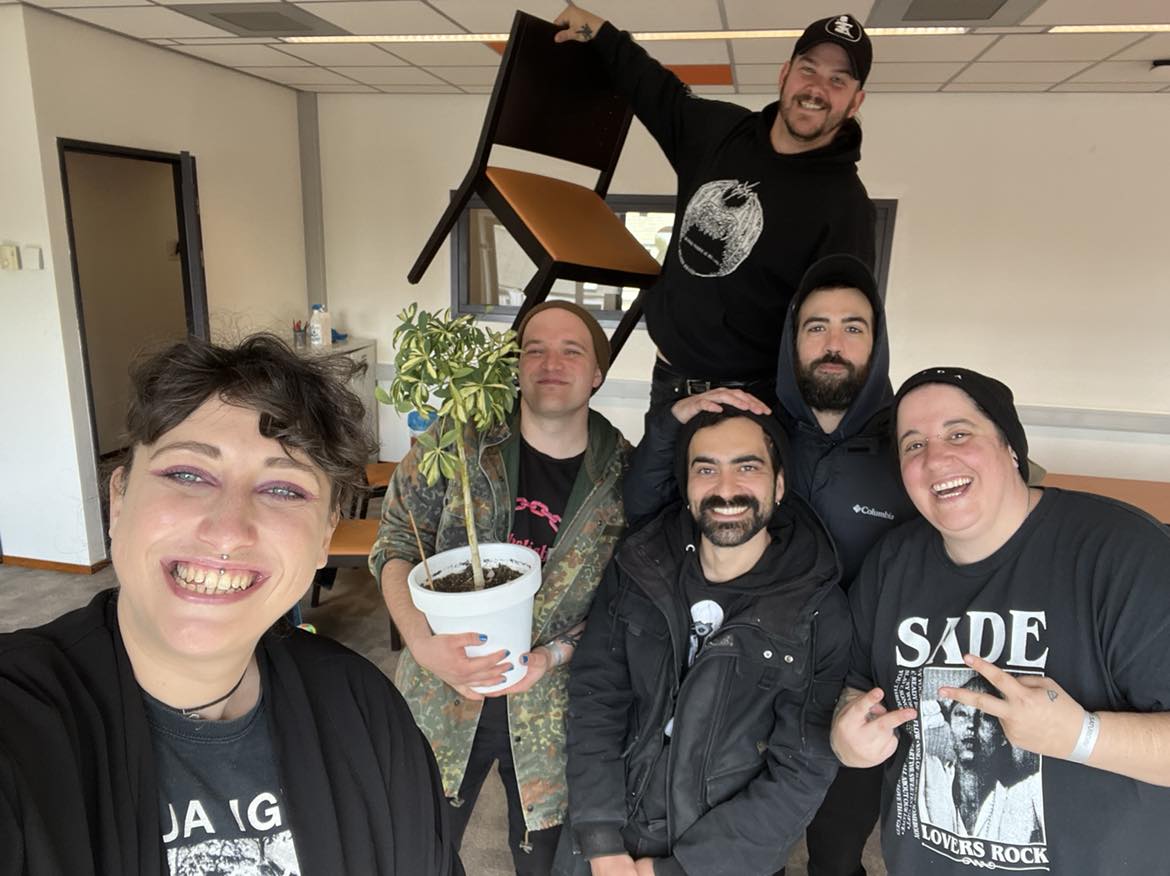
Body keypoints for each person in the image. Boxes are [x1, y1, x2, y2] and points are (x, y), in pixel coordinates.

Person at [0, 334, 463, 875]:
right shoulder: (18, 718)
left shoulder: (364, 711)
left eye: (284, 490)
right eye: (187, 475)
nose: (227, 531)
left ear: (324, 536)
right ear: (118, 500)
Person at [622, 254, 916, 875]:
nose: (833, 344)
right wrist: (672, 423)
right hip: (748, 684)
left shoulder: (906, 450)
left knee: (837, 852)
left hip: (854, 690)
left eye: (853, 327)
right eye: (816, 326)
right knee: (745, 843)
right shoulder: (752, 431)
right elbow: (648, 509)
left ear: (877, 342)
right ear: (792, 340)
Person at [832, 366, 1170, 874]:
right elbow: (857, 687)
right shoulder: (892, 563)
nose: (935, 459)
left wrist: (1081, 736)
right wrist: (848, 738)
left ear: (1011, 448)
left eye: (958, 434)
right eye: (913, 444)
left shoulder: (1124, 553)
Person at [370, 301, 630, 875]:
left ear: (597, 373)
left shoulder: (623, 479)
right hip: (441, 695)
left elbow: (626, 603)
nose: (550, 364)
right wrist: (420, 642)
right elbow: (395, 542)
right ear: (513, 367)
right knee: (414, 849)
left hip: (553, 712)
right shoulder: (459, 441)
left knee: (543, 861)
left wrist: (553, 655)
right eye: (534, 350)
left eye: (571, 351)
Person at [556, 407, 850, 876]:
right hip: (604, 838)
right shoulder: (640, 564)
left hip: (719, 860)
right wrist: (600, 839)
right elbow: (596, 697)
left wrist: (679, 870)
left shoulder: (818, 609)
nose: (726, 489)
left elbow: (801, 769)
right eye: (706, 469)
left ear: (778, 486)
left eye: (747, 467)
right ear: (687, 487)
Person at [555, 5, 876, 410]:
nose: (816, 89)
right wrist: (601, 33)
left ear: (855, 101)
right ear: (785, 73)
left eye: (837, 80)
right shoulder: (719, 131)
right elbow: (656, 90)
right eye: (808, 69)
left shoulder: (847, 206)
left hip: (750, 399)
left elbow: (840, 329)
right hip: (667, 381)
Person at [919, 674, 1044, 844]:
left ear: (1004, 735)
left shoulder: (1022, 795)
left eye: (987, 716)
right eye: (962, 714)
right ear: (949, 725)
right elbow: (905, 723)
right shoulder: (930, 775)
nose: (972, 724)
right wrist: (940, 708)